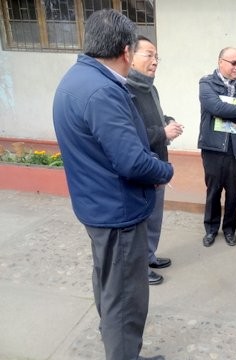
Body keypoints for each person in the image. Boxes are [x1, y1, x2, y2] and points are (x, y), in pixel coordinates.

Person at [52, 9, 172, 360]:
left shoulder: (76, 78)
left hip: (97, 206)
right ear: (125, 51)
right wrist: (164, 172)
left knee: (109, 286)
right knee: (125, 301)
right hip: (117, 212)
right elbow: (132, 160)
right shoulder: (103, 91)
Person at [126, 35, 184, 285]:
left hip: (157, 162)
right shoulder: (125, 90)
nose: (154, 61)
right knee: (142, 221)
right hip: (142, 166)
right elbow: (131, 135)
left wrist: (167, 121)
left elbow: (154, 118)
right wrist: (162, 132)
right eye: (148, 55)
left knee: (155, 217)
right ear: (130, 56)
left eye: (156, 56)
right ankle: (139, 267)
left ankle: (149, 256)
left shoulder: (150, 87)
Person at [198, 47, 236, 247]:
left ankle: (230, 229)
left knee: (234, 192)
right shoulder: (206, 83)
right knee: (213, 190)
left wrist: (234, 111)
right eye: (234, 63)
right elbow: (215, 107)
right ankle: (211, 228)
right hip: (213, 147)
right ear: (220, 62)